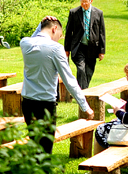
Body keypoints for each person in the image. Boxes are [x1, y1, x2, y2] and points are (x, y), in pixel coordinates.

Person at [21, 16, 94, 154]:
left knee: (35, 143)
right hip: (45, 105)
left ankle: (33, 173)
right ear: (54, 29)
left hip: (27, 103)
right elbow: (69, 80)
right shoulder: (56, 48)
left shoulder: (25, 43)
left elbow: (34, 38)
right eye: (59, 36)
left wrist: (41, 23)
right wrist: (85, 106)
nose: (58, 39)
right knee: (45, 149)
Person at [64, 0, 106, 90]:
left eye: (86, 1)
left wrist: (102, 51)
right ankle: (82, 93)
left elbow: (102, 32)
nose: (84, 4)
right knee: (81, 69)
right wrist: (67, 49)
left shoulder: (98, 13)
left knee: (89, 71)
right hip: (78, 47)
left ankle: (83, 91)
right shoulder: (74, 13)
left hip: (92, 47)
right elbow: (68, 32)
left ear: (91, 1)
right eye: (82, 1)